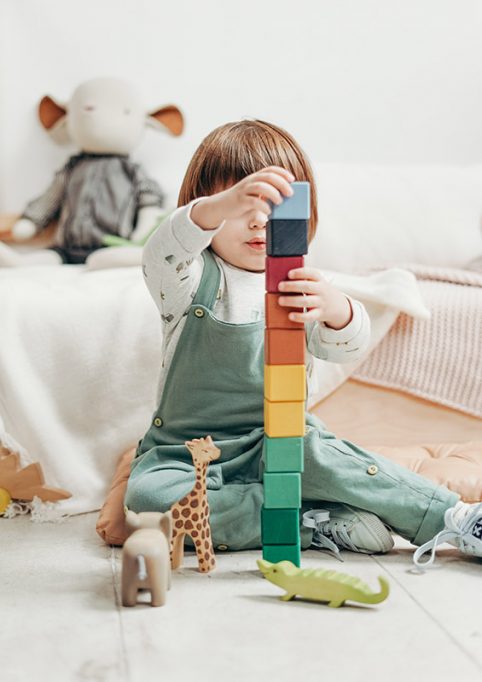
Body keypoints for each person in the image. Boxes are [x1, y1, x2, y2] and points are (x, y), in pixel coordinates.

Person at [125, 119, 482, 569]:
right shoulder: (188, 280)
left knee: (326, 455)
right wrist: (215, 208)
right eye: (241, 205)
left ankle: (454, 517)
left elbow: (345, 348)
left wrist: (339, 310)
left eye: (272, 206)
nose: (257, 219)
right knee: (145, 500)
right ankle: (312, 521)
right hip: (186, 452)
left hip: (278, 439)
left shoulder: (299, 284)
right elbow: (163, 252)